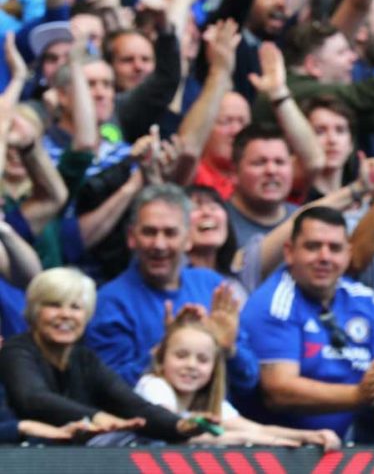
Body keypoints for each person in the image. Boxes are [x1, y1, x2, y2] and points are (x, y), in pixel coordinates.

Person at [238, 207, 374, 441]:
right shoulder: (274, 302)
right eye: (313, 246)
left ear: (348, 254)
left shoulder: (365, 300)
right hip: (272, 448)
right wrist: (357, 395)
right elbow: (278, 392)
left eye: (335, 248)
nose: (324, 257)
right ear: (289, 252)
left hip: (340, 446)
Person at [84, 185, 259, 393]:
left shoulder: (212, 287)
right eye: (149, 232)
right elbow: (108, 391)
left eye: (170, 233)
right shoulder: (110, 303)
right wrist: (163, 350)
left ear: (188, 239)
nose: (159, 244)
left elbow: (249, 380)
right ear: (131, 237)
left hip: (216, 411)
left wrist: (229, 349)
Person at [0, 268, 203, 444]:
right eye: (54, 305)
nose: (66, 314)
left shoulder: (84, 359)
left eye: (75, 307)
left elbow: (131, 404)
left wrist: (179, 425)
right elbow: (33, 398)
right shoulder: (16, 351)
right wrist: (96, 416)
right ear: (34, 311)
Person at [135, 313, 342, 449]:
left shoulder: (211, 405)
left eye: (203, 359)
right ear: (161, 359)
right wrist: (247, 439)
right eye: (181, 355)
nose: (191, 365)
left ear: (214, 369)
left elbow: (257, 430)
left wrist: (308, 436)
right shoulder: (153, 386)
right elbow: (175, 434)